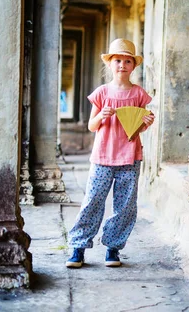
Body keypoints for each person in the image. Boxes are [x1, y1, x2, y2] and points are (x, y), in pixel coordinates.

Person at [66, 38, 155, 268]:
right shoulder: (102, 93)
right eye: (118, 60)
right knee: (93, 201)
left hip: (130, 157)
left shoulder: (138, 94)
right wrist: (101, 116)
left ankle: (113, 248)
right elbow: (91, 126)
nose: (122, 65)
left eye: (127, 61)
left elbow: (138, 126)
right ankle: (78, 247)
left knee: (125, 205)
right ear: (110, 64)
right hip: (103, 157)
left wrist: (146, 122)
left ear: (133, 66)